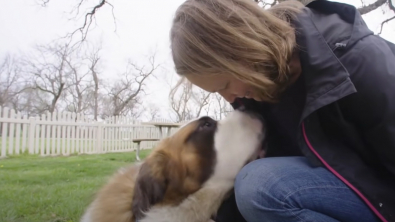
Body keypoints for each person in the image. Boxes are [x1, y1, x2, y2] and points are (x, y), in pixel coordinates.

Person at [169, 0, 395, 221]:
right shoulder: (253, 96)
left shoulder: (358, 58)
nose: (229, 98)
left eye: (225, 85)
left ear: (240, 52)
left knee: (259, 185)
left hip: (383, 196)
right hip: (330, 190)